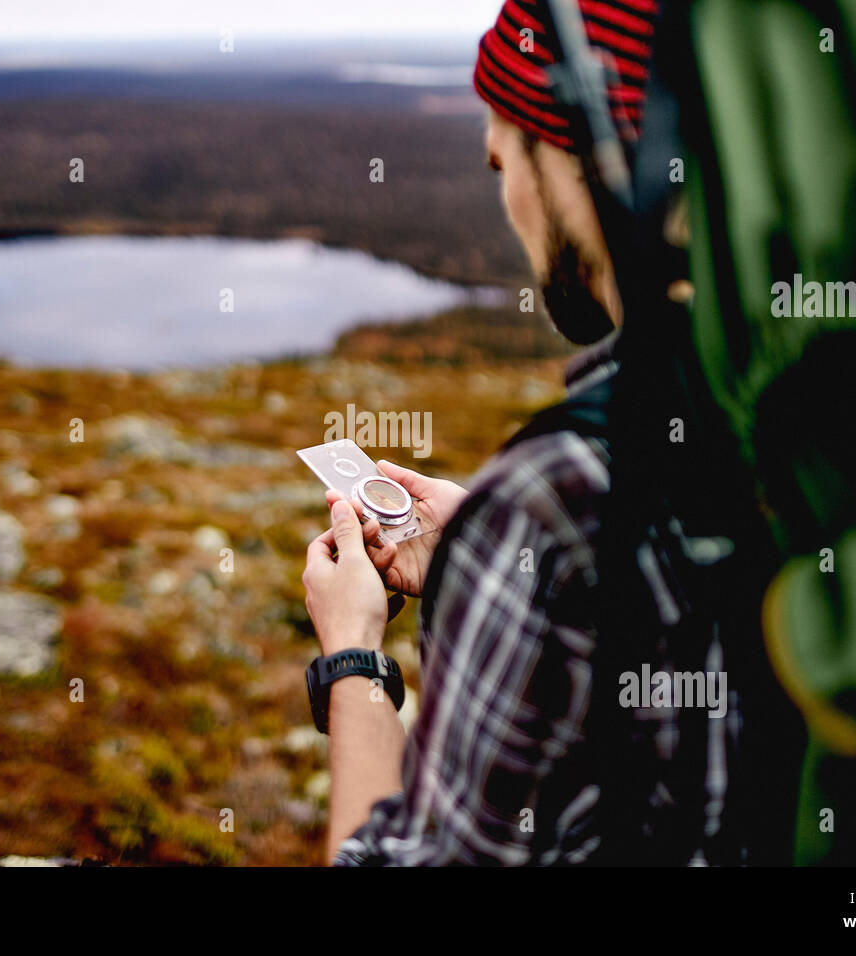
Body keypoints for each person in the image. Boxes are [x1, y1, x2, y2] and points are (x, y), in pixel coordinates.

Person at [300, 0, 770, 866]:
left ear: (583, 159)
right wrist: (485, 570)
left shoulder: (564, 499)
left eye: (504, 159)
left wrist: (352, 661)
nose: (509, 200)